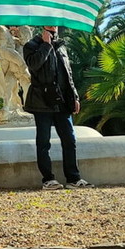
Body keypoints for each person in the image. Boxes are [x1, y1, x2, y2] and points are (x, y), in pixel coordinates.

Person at [22, 25, 92, 190]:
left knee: (70, 140)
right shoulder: (31, 45)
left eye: (55, 23)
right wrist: (46, 45)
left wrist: (75, 96)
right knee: (43, 142)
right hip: (42, 101)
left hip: (62, 101)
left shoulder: (61, 46)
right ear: (43, 26)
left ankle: (73, 178)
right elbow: (34, 65)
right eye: (49, 23)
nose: (53, 27)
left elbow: (68, 74)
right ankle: (48, 179)